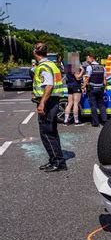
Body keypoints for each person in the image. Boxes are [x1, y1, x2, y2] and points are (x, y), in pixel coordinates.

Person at [31, 42, 68, 172]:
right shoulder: (52, 64)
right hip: (54, 101)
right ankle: (54, 159)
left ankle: (58, 162)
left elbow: (49, 85)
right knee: (52, 132)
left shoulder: (44, 66)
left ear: (35, 52)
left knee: (46, 133)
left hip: (48, 103)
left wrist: (41, 103)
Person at [83, 54, 107, 127]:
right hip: (100, 89)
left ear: (92, 58)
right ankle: (104, 120)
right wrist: (104, 88)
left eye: (88, 59)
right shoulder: (103, 68)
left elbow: (87, 79)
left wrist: (83, 86)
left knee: (93, 106)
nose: (87, 61)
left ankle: (96, 122)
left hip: (92, 89)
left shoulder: (89, 68)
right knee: (101, 105)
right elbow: (104, 79)